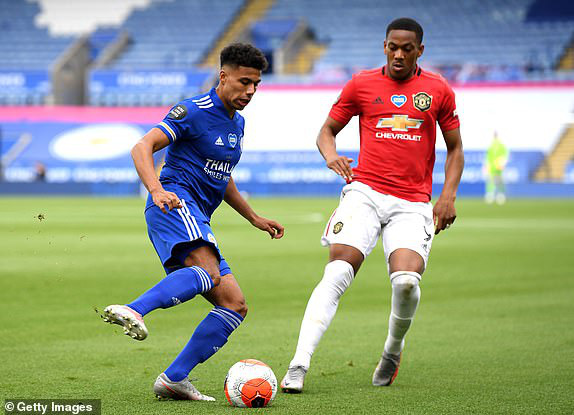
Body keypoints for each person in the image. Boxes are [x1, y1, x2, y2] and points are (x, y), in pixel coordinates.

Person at [280, 17, 464, 392]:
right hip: (364, 191)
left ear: (419, 51)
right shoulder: (362, 83)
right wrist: (331, 156)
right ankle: (299, 363)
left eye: (406, 49)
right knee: (336, 273)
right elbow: (326, 131)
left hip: (412, 202)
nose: (398, 55)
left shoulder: (438, 90)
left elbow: (455, 147)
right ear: (384, 46)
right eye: (392, 47)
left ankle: (392, 352)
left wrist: (447, 196)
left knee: (407, 283)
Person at [102, 43, 284, 401]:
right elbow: (142, 146)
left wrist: (253, 217)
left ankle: (174, 379)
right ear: (223, 76)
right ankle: (134, 309)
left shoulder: (238, 122)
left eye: (256, 85)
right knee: (210, 275)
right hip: (174, 202)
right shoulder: (193, 110)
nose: (250, 91)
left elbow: (222, 177)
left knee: (234, 303)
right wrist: (155, 189)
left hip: (196, 213)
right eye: (244, 82)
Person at [485, 132, 509, 204]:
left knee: (499, 181)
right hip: (493, 166)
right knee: (491, 181)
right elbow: (488, 157)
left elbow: (504, 155)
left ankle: (500, 195)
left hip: (498, 166)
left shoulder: (500, 145)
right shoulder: (491, 146)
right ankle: (491, 195)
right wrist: (487, 165)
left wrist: (502, 163)